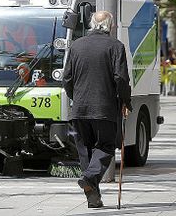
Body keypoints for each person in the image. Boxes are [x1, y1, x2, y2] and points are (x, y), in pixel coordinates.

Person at [63, 11, 132, 208]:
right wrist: (125, 101)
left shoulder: (76, 45)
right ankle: (90, 178)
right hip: (104, 108)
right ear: (111, 26)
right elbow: (121, 78)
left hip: (79, 109)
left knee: (85, 151)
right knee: (105, 147)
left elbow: (66, 79)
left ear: (92, 24)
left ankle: (93, 198)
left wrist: (76, 98)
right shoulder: (115, 46)